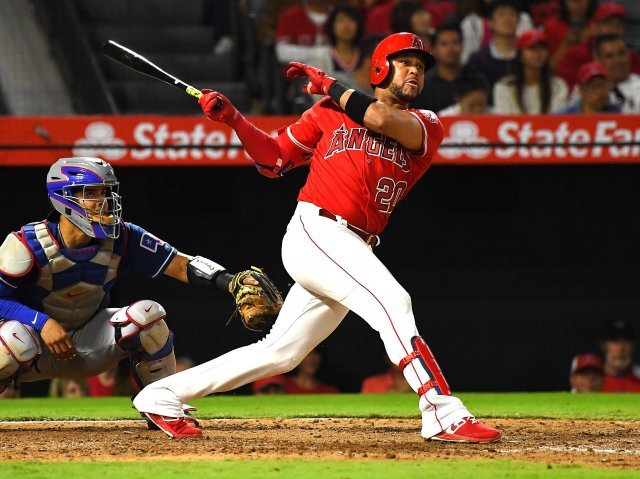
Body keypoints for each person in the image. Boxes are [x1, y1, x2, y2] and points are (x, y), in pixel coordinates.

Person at [134, 31, 501, 444]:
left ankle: (162, 394)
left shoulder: (427, 124)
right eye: (405, 63)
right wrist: (234, 119)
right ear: (381, 67)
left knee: (282, 353)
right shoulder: (328, 112)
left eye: (419, 66)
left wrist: (329, 83)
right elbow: (273, 161)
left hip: (352, 246)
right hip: (317, 230)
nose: (415, 71)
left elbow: (378, 118)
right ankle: (441, 410)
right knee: (393, 302)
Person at [0, 157, 269, 423]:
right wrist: (43, 323)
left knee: (148, 316)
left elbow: (179, 264)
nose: (104, 202)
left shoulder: (122, 237)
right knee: (11, 338)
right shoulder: (25, 245)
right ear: (63, 198)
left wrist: (230, 281)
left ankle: (160, 404)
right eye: (91, 193)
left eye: (107, 192)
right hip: (33, 348)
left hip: (87, 343)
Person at [555, 2, 640, 89]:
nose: (614, 29)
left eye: (618, 25)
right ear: (593, 26)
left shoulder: (631, 56)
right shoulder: (575, 55)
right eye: (608, 24)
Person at [412, 23, 488, 112]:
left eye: (455, 43)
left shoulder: (477, 80)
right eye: (444, 44)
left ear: (462, 46)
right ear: (433, 49)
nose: (451, 49)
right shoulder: (422, 84)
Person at [493, 29, 569, 114]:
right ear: (520, 54)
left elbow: (557, 119)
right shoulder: (504, 86)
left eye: (542, 48)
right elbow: (504, 120)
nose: (538, 53)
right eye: (532, 48)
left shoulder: (558, 85)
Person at [466, 0, 519, 97]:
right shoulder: (478, 60)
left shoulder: (525, 56)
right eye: (501, 14)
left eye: (512, 14)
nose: (507, 19)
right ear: (490, 22)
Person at [592, 33, 640, 113]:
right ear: (597, 60)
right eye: (609, 56)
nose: (617, 60)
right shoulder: (588, 88)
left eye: (621, 53)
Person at [554, 61, 621, 113]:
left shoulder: (616, 113)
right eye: (594, 87)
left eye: (603, 85)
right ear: (581, 91)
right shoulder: (564, 117)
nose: (600, 91)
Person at [600, 319, 640, 393]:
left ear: (634, 346)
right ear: (604, 346)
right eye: (615, 341)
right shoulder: (589, 380)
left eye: (626, 342)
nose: (621, 348)